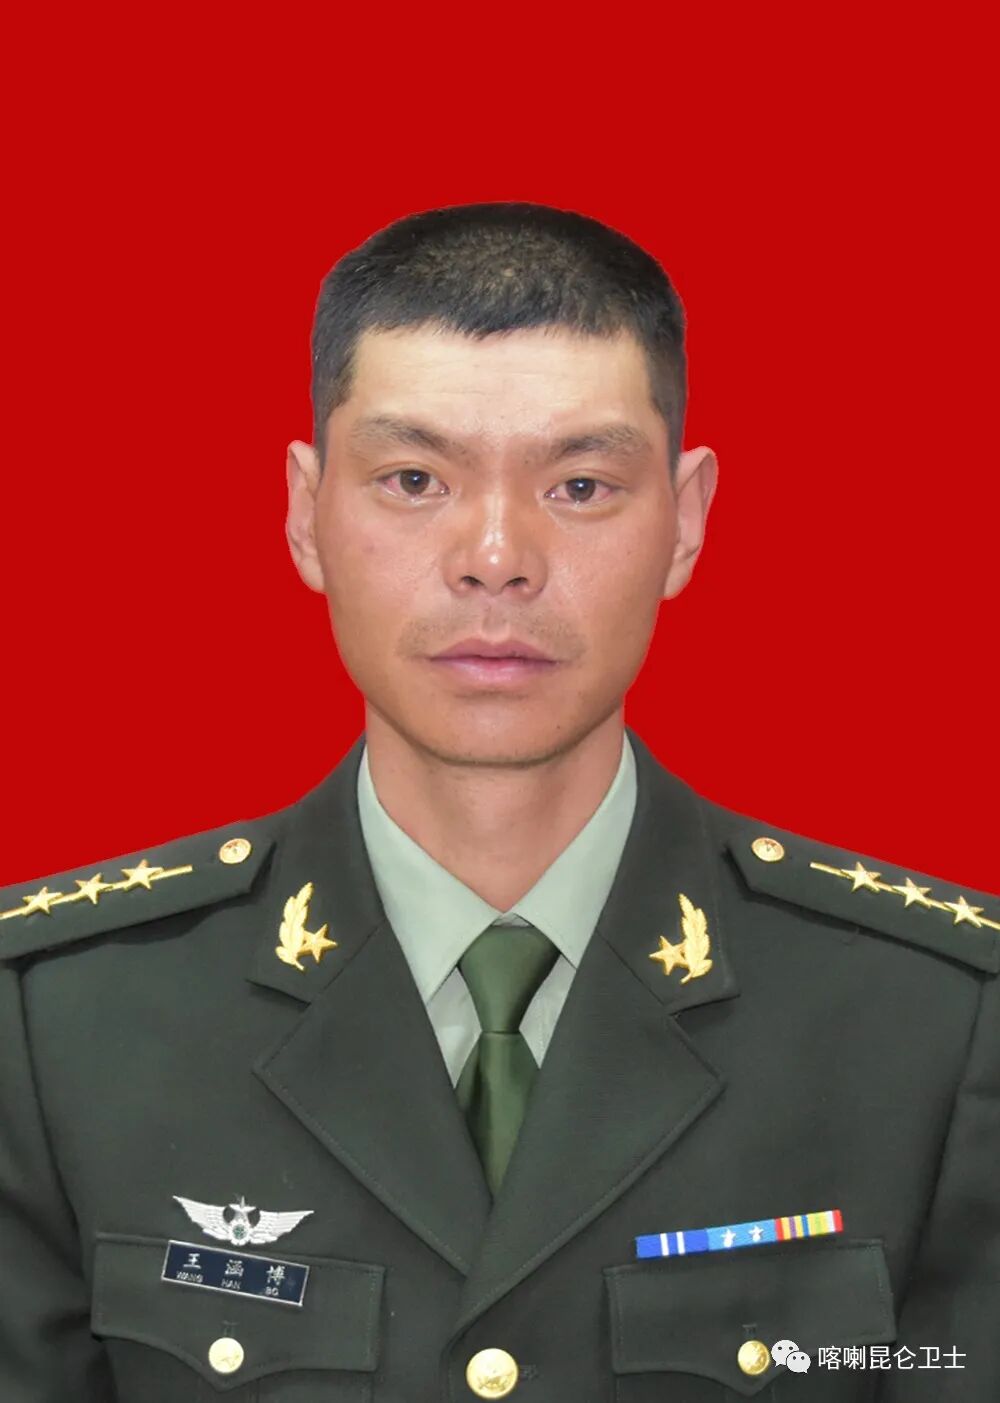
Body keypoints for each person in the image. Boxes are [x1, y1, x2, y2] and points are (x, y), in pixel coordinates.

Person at [1, 202, 997, 1403]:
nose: (494, 555)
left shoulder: (935, 1023)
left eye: (579, 484)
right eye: (413, 478)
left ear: (685, 521)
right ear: (306, 511)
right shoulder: (56, 1022)